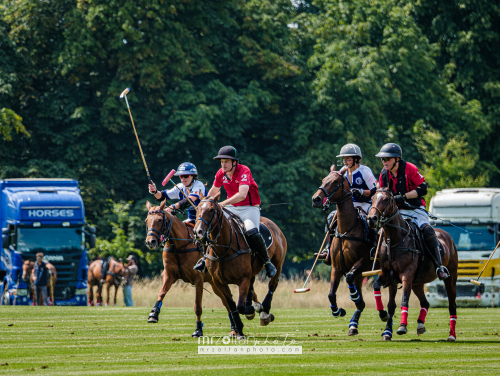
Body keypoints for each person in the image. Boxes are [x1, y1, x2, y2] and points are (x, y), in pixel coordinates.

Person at [193, 146, 277, 278]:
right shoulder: (221, 173)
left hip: (249, 208)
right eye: (222, 162)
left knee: (252, 232)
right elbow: (212, 192)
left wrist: (223, 203)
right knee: (211, 225)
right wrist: (205, 203)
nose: (223, 164)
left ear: (234, 162)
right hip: (231, 207)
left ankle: (267, 262)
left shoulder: (244, 171)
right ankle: (205, 258)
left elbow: (242, 194)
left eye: (226, 161)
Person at [375, 143, 449, 280]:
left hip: (415, 209)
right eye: (382, 159)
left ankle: (439, 266)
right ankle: (381, 264)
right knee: (380, 232)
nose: (384, 162)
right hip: (397, 213)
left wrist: (404, 196)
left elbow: (423, 189)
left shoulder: (410, 168)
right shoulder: (383, 174)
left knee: (428, 231)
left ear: (397, 159)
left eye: (387, 159)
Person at [317, 144, 377, 264]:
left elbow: (374, 190)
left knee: (371, 221)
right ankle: (328, 248)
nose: (345, 161)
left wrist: (360, 191)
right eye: (344, 159)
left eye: (348, 159)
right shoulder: (342, 173)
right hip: (350, 205)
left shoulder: (364, 171)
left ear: (356, 159)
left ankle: (375, 248)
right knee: (331, 218)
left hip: (366, 203)